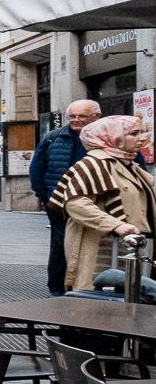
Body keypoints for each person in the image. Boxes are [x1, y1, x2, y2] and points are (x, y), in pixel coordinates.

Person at [49, 115, 156, 293]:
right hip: (102, 247)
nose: (142, 138)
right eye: (134, 133)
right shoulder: (93, 164)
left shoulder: (129, 165)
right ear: (112, 137)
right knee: (99, 299)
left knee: (131, 298)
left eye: (141, 133)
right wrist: (116, 225)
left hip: (132, 247)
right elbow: (76, 204)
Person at [32, 98, 100, 295]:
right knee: (60, 247)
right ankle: (57, 289)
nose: (76, 120)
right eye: (72, 116)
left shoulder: (105, 139)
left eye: (82, 116)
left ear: (96, 117)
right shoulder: (54, 138)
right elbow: (37, 168)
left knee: (90, 248)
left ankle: (87, 287)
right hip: (59, 204)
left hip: (94, 205)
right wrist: (46, 197)